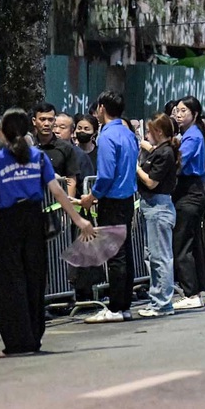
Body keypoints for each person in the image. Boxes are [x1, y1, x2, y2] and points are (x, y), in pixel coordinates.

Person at [0, 109, 93, 356]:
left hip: (7, 223)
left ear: (2, 132)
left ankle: (15, 342)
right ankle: (34, 339)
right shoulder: (38, 157)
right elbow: (56, 190)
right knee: (35, 280)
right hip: (34, 220)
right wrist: (78, 219)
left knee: (10, 283)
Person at [79, 91, 140, 324]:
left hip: (111, 199)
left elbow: (105, 174)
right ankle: (124, 305)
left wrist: (91, 196)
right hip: (127, 198)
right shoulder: (127, 133)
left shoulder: (106, 136)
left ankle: (115, 307)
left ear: (102, 108)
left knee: (115, 255)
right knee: (125, 253)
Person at [169, 96, 205, 311]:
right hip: (189, 192)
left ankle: (190, 292)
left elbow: (180, 163)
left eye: (183, 110)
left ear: (194, 114)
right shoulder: (188, 135)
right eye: (177, 110)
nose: (178, 114)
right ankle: (195, 289)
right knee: (190, 243)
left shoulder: (192, 136)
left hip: (190, 193)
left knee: (182, 244)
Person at [134, 113, 178, 318]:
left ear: (158, 132)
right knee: (152, 257)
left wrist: (135, 169)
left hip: (159, 207)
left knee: (161, 257)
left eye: (150, 131)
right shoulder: (159, 151)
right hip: (151, 206)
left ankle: (163, 302)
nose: (148, 135)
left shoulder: (166, 153)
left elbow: (152, 182)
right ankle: (157, 300)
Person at [31, 103, 81, 197]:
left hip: (57, 204)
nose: (46, 124)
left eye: (50, 120)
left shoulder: (65, 148)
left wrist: (67, 208)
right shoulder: (28, 147)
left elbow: (71, 181)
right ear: (34, 121)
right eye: (42, 119)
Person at [54, 112, 95, 182]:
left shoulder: (80, 155)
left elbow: (88, 183)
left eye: (62, 127)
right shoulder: (43, 151)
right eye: (54, 126)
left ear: (72, 131)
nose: (57, 131)